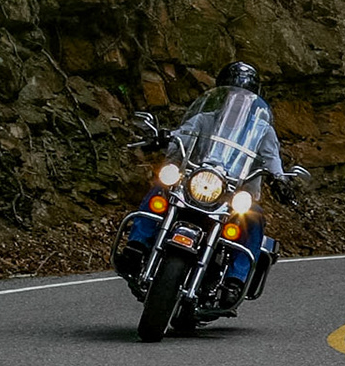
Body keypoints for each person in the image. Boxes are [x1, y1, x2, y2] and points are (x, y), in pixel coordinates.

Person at [118, 61, 294, 309]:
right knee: (161, 189)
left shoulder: (262, 131)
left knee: (253, 219)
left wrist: (281, 180)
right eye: (231, 94)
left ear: (253, 100)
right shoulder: (204, 119)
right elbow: (182, 136)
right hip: (195, 183)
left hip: (232, 193)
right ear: (221, 94)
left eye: (243, 97)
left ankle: (235, 279)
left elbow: (272, 159)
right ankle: (136, 245)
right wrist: (163, 138)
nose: (237, 101)